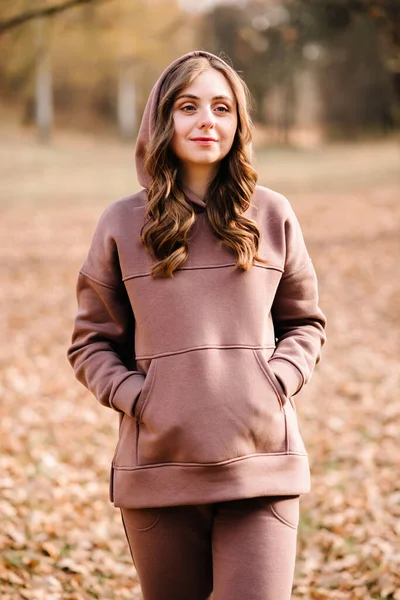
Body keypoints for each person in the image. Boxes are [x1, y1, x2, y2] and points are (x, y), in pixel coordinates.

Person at [67, 50, 326, 600]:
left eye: (222, 107)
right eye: (189, 106)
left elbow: (305, 323)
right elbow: (91, 344)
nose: (207, 120)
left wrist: (273, 381)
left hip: (262, 470)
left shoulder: (273, 215)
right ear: (163, 122)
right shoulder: (121, 224)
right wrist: (142, 398)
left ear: (238, 123)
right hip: (159, 471)